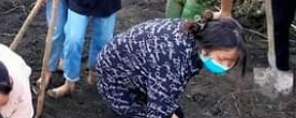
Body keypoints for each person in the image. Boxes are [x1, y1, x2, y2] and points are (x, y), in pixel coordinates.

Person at [96, 14, 247, 118]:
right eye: (222, 59)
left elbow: (166, 96)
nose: (226, 66)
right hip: (116, 79)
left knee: (175, 113)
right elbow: (157, 113)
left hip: (140, 68)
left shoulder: (194, 34)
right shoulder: (173, 61)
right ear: (207, 45)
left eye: (231, 62)